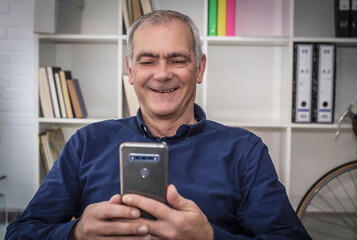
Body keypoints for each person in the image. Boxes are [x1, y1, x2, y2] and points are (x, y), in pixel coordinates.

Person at [6, 10, 311, 239]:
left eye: (177, 60)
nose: (162, 74)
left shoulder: (244, 151)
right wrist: (75, 234)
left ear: (200, 67)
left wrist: (210, 237)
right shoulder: (87, 143)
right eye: (148, 61)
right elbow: (19, 233)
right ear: (130, 70)